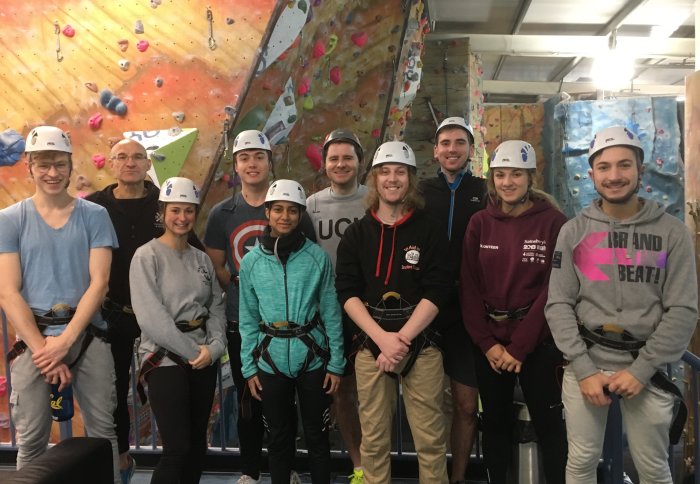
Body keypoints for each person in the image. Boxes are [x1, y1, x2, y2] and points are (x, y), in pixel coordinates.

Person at [545, 126, 698, 483]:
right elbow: (559, 304)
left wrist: (642, 370)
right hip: (587, 365)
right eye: (604, 167)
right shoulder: (575, 232)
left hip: (647, 368)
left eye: (624, 165)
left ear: (640, 169)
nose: (614, 176)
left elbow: (682, 310)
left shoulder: (671, 233)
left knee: (654, 467)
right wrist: (583, 369)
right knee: (581, 462)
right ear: (593, 172)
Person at [0, 126, 121, 483]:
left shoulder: (94, 216)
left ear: (70, 166)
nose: (51, 173)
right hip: (33, 341)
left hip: (85, 335)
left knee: (103, 434)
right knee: (33, 440)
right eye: (43, 164)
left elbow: (99, 283)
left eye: (58, 164)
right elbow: (8, 291)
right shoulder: (10, 220)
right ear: (29, 166)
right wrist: (44, 352)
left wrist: (65, 342)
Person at [86, 138, 205, 484]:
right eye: (122, 157)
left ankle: (176, 459)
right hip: (116, 315)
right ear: (111, 163)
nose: (130, 163)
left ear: (147, 162)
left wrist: (224, 279)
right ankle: (121, 456)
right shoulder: (95, 207)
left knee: (174, 390)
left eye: (138, 157)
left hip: (163, 320)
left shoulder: (165, 204)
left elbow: (193, 249)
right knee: (114, 389)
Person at [336, 141, 451, 483]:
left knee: (430, 441)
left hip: (420, 341)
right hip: (372, 342)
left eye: (400, 172)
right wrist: (381, 339)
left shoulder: (429, 230)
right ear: (373, 179)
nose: (392, 179)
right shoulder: (357, 234)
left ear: (411, 179)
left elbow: (439, 289)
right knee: (373, 441)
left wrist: (399, 340)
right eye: (384, 172)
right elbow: (347, 291)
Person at [203, 130, 314, 484]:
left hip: (291, 328)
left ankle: (289, 467)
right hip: (243, 324)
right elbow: (218, 267)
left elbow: (307, 263)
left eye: (259, 157)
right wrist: (248, 288)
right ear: (235, 165)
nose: (252, 164)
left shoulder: (292, 206)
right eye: (244, 157)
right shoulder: (222, 214)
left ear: (270, 161)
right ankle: (250, 470)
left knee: (287, 401)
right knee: (250, 399)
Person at [460, 140, 568, 483]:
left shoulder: (553, 223)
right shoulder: (480, 223)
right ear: (493, 178)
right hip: (491, 344)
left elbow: (555, 289)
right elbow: (469, 285)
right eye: (501, 174)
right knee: (494, 424)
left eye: (516, 175)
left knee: (549, 425)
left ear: (530, 177)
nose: (508, 182)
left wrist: (520, 347)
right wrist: (487, 344)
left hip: (537, 344)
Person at [239, 179, 345, 484]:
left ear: (301, 215)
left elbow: (331, 311)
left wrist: (336, 362)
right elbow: (247, 317)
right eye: (278, 210)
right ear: (268, 213)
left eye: (292, 211)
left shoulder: (316, 258)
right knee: (278, 437)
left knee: (317, 436)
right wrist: (248, 367)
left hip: (311, 357)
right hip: (269, 358)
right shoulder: (251, 262)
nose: (285, 216)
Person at [129, 176, 227, 484]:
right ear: (163, 213)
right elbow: (151, 317)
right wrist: (192, 353)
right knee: (177, 447)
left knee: (198, 444)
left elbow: (215, 306)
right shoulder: (147, 256)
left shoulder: (201, 259)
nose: (182, 218)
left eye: (188, 211)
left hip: (202, 355)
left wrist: (215, 347)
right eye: (175, 210)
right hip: (165, 357)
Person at [419, 117, 484, 484]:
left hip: (468, 310)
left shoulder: (486, 191)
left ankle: (457, 477)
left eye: (460, 143)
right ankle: (432, 475)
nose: (452, 149)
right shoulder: (421, 191)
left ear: (471, 150)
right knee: (424, 405)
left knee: (464, 405)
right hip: (428, 307)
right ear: (435, 151)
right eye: (445, 143)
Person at [306, 128, 366, 483]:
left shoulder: (374, 199)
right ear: (325, 164)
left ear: (359, 161)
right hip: (327, 313)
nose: (341, 164)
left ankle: (376, 460)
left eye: (347, 157)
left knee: (374, 394)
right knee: (341, 392)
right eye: (334, 158)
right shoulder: (311, 206)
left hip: (369, 310)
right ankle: (358, 464)